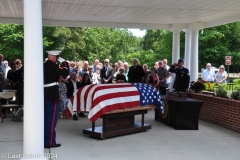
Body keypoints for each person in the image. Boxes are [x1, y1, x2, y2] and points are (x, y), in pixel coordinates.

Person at [44, 50, 69, 148]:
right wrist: (64, 63)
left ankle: (43, 140)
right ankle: (49, 142)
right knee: (51, 121)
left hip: (43, 96)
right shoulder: (54, 67)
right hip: (52, 97)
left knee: (44, 120)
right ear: (54, 58)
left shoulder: (42, 65)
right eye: (57, 58)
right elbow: (66, 72)